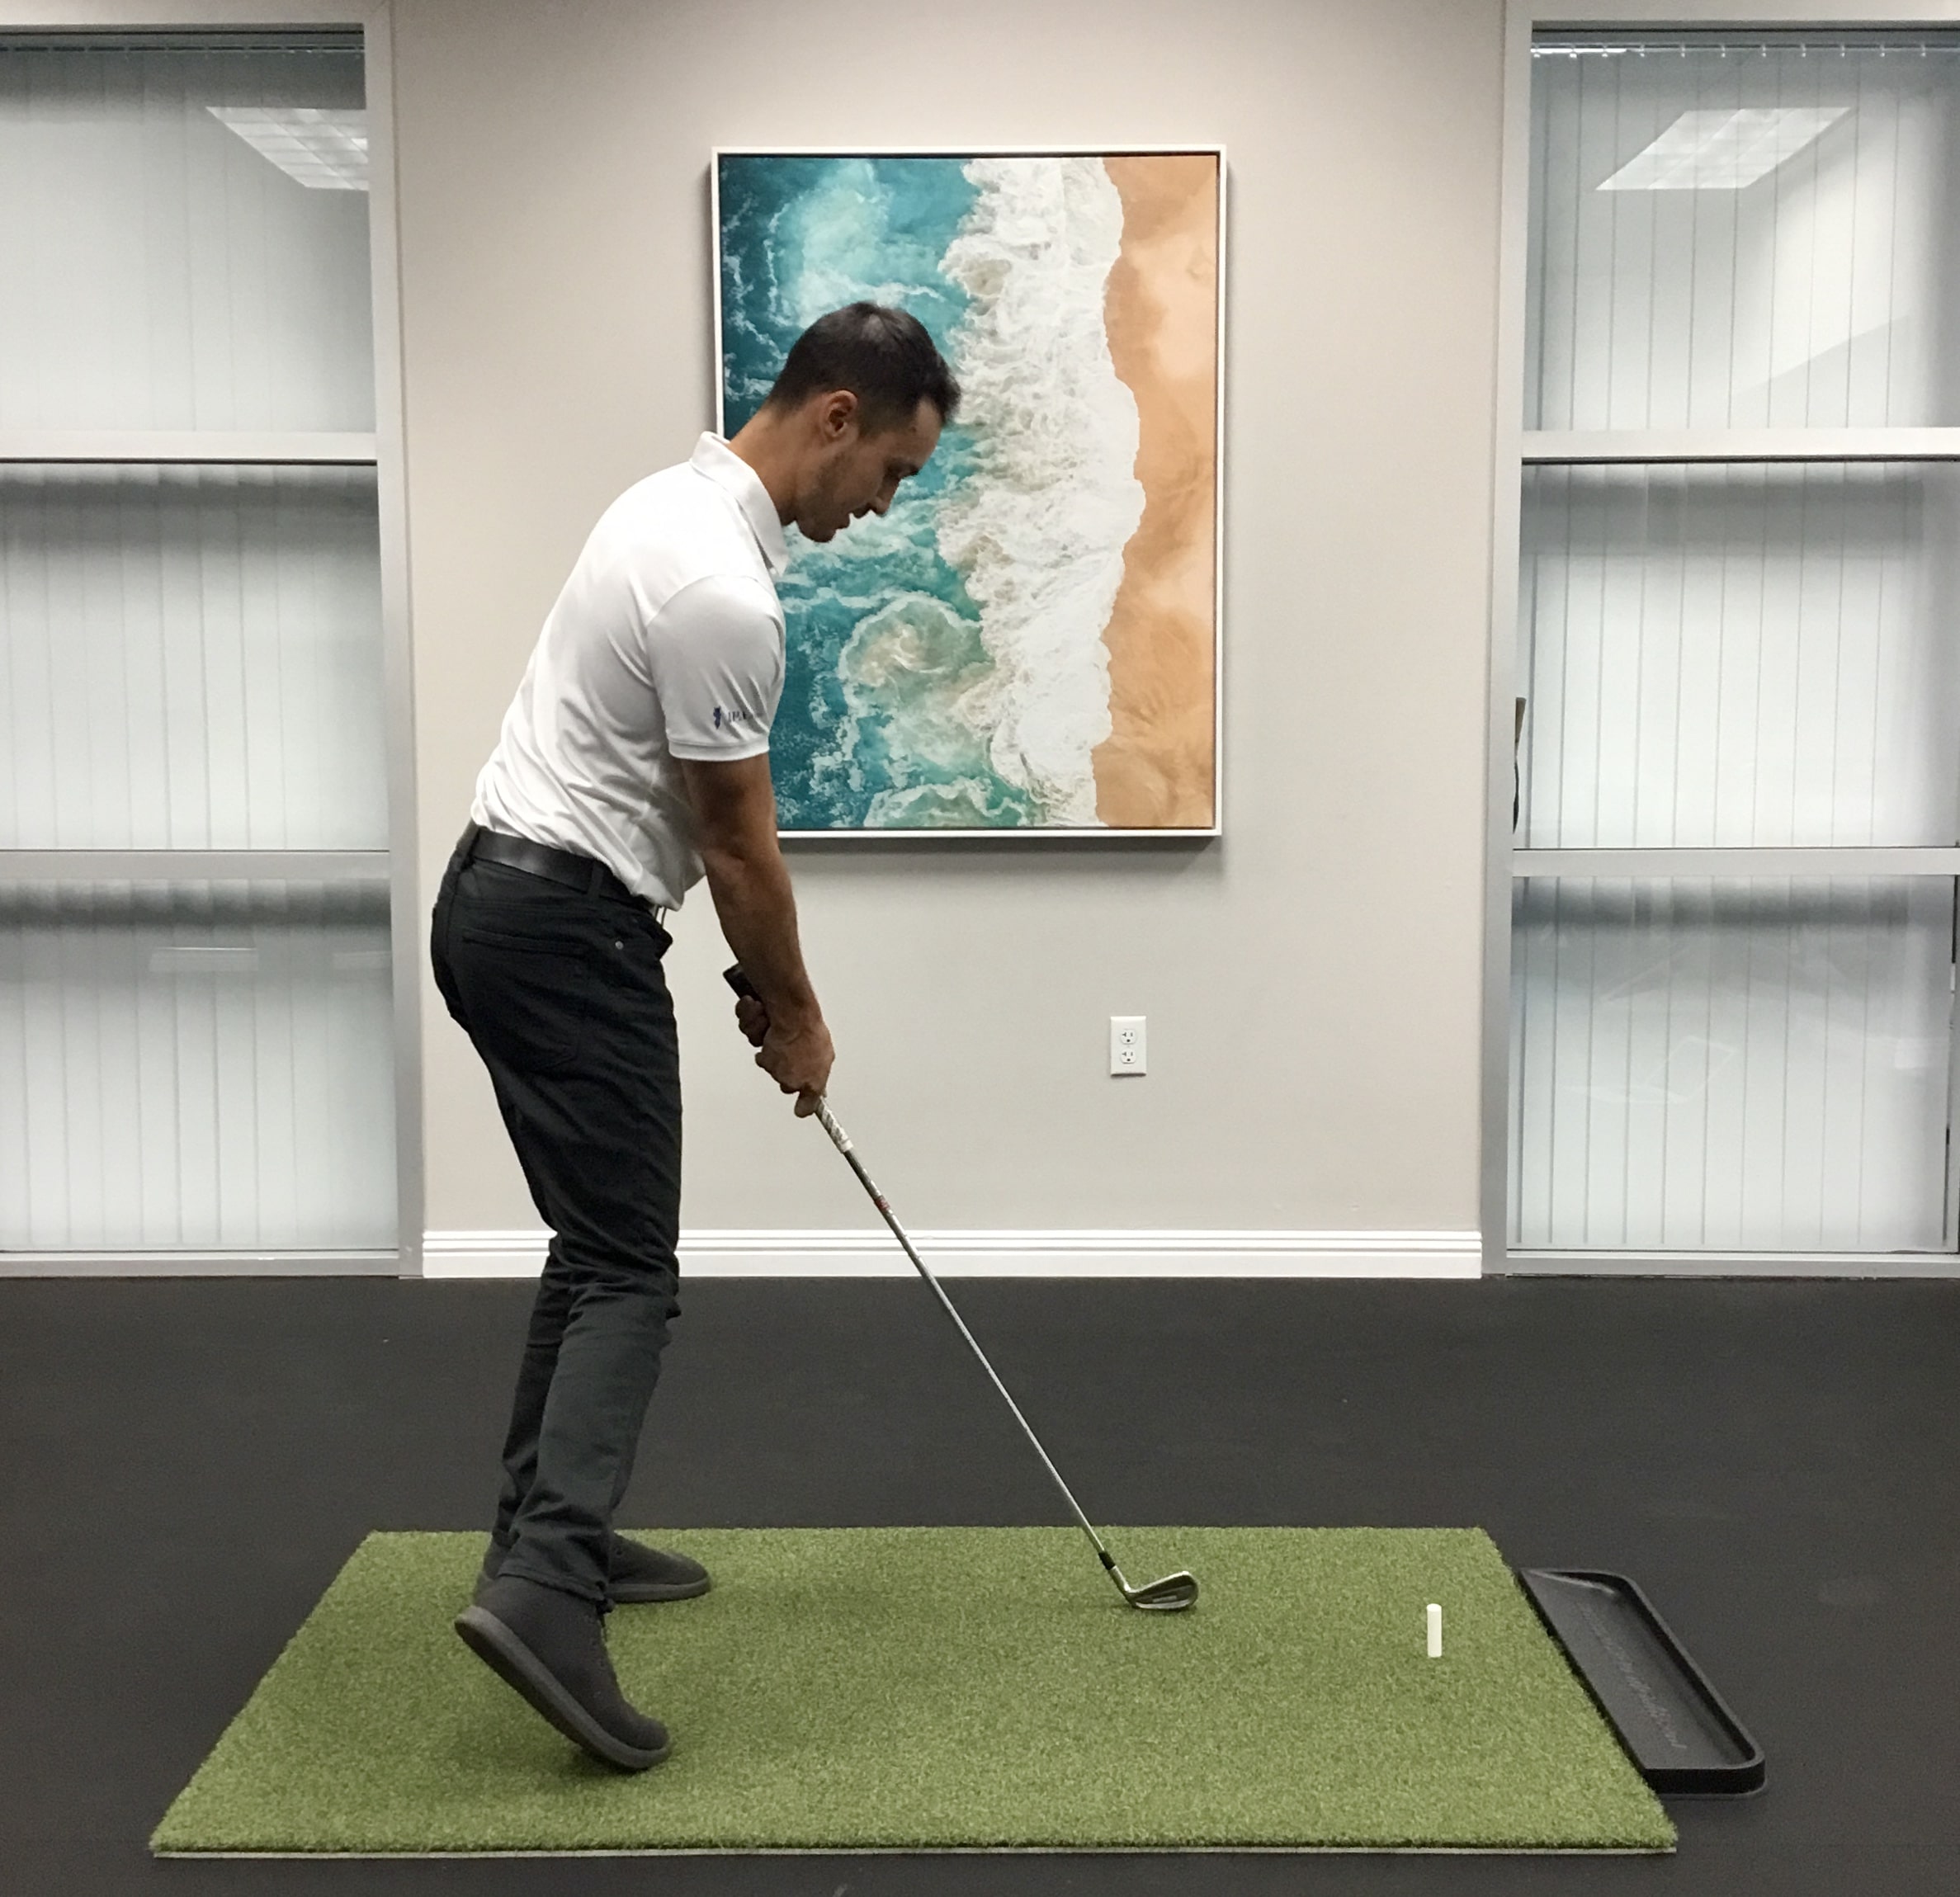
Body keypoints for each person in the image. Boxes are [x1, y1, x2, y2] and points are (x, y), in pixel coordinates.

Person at [431, 303, 958, 1771]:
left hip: (500, 902)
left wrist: (753, 979)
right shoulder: (725, 591)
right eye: (894, 472)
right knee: (627, 1269)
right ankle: (547, 1593)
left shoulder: (663, 505)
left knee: (590, 1241)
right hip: (563, 931)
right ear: (837, 416)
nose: (885, 506)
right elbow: (737, 844)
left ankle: (546, 1539)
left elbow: (669, 808)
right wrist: (799, 1015)